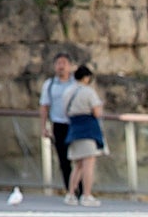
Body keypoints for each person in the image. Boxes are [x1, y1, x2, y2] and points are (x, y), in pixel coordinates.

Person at [63, 64, 105, 207]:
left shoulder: (68, 91)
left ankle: (71, 194)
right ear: (86, 78)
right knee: (88, 164)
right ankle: (86, 195)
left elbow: (65, 111)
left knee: (78, 165)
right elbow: (97, 112)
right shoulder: (89, 92)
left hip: (74, 128)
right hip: (88, 129)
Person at [40, 52, 79, 197]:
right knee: (64, 159)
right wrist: (44, 127)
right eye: (58, 63)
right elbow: (44, 106)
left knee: (79, 158)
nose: (61, 66)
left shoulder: (76, 83)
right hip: (59, 124)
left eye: (64, 63)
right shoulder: (49, 85)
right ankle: (71, 190)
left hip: (75, 123)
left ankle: (80, 187)